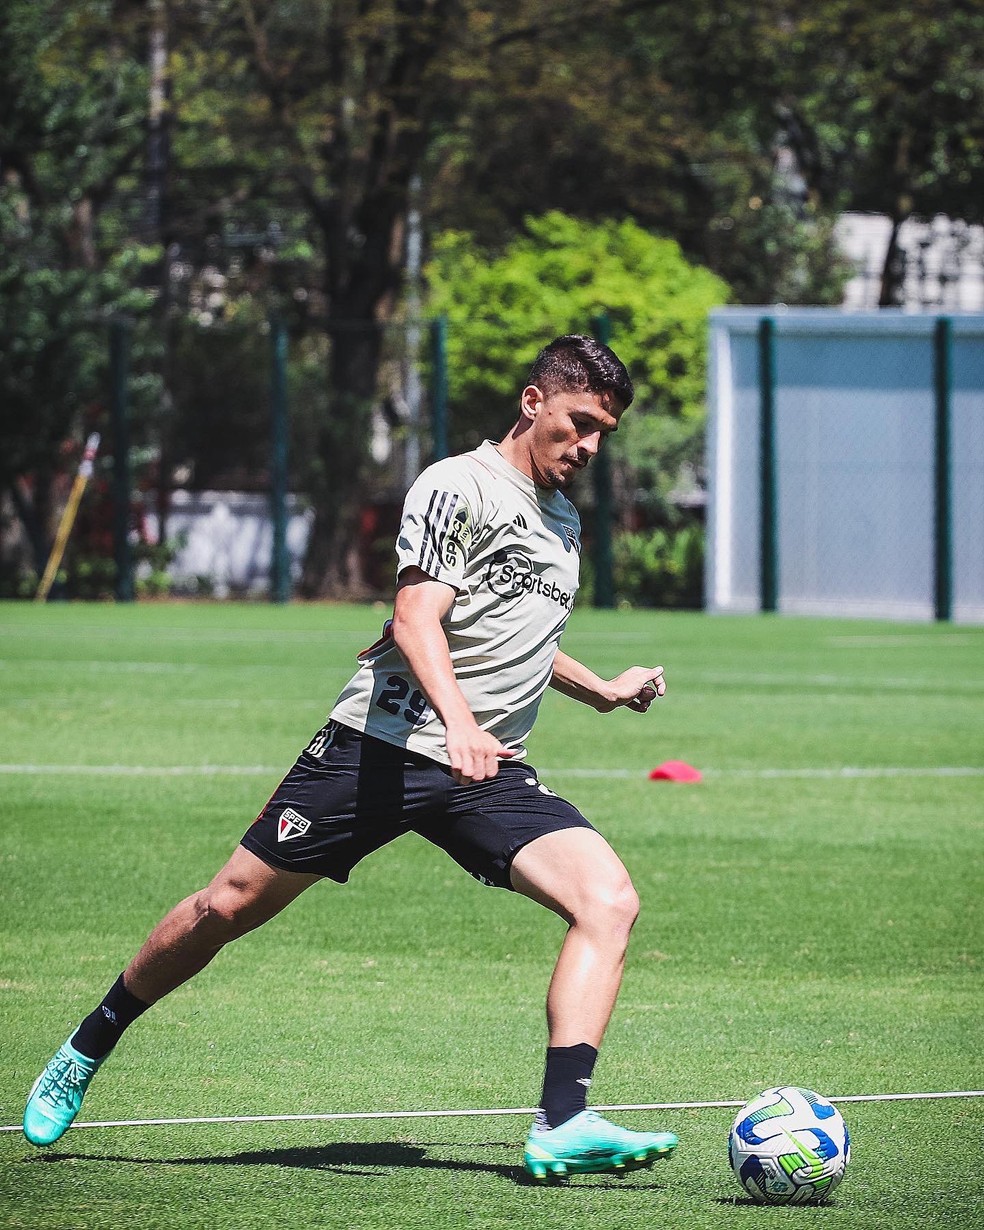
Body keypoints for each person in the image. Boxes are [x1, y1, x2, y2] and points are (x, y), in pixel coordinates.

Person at [24, 333, 678, 1181]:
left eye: (604, 434)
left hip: (485, 772)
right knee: (227, 907)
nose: (590, 447)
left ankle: (564, 1120)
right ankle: (89, 1043)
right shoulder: (458, 484)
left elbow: (514, 633)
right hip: (382, 744)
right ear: (533, 401)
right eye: (582, 422)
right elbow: (417, 618)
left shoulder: (563, 518)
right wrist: (460, 721)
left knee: (609, 900)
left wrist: (600, 690)